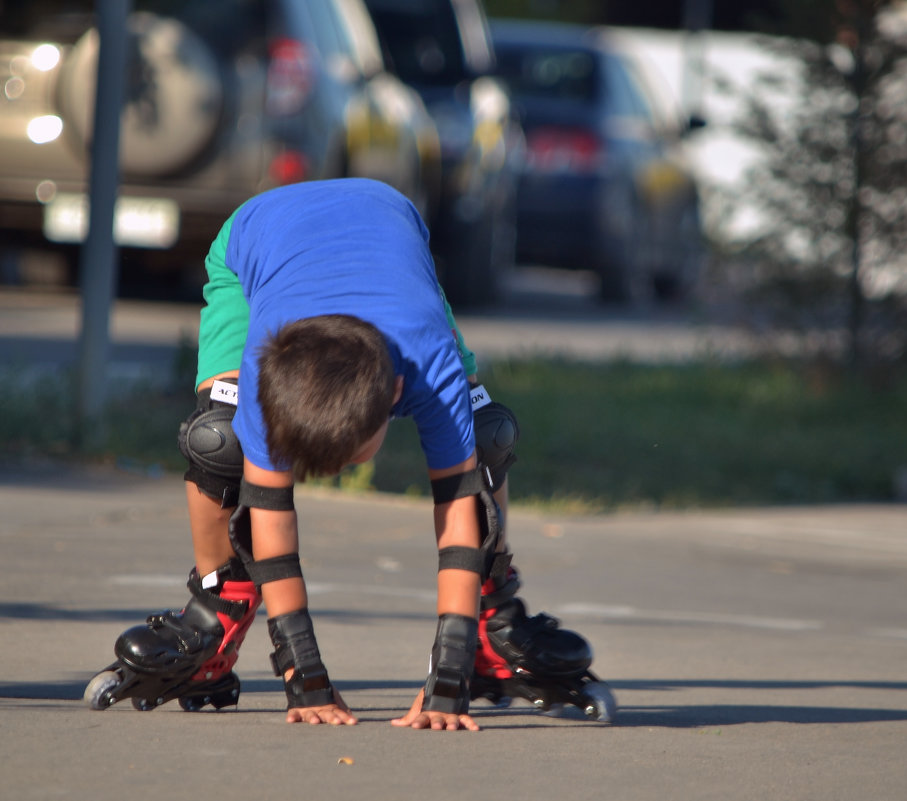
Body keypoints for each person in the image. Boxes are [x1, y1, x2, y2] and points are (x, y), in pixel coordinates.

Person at [90, 177, 596, 730]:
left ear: (397, 394)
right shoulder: (268, 367)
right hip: (259, 235)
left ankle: (490, 614)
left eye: (351, 454)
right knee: (220, 439)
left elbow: (458, 510)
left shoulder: (428, 363)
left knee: (482, 435)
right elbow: (270, 516)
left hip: (388, 239)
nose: (340, 469)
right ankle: (219, 607)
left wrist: (448, 676)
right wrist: (301, 672)